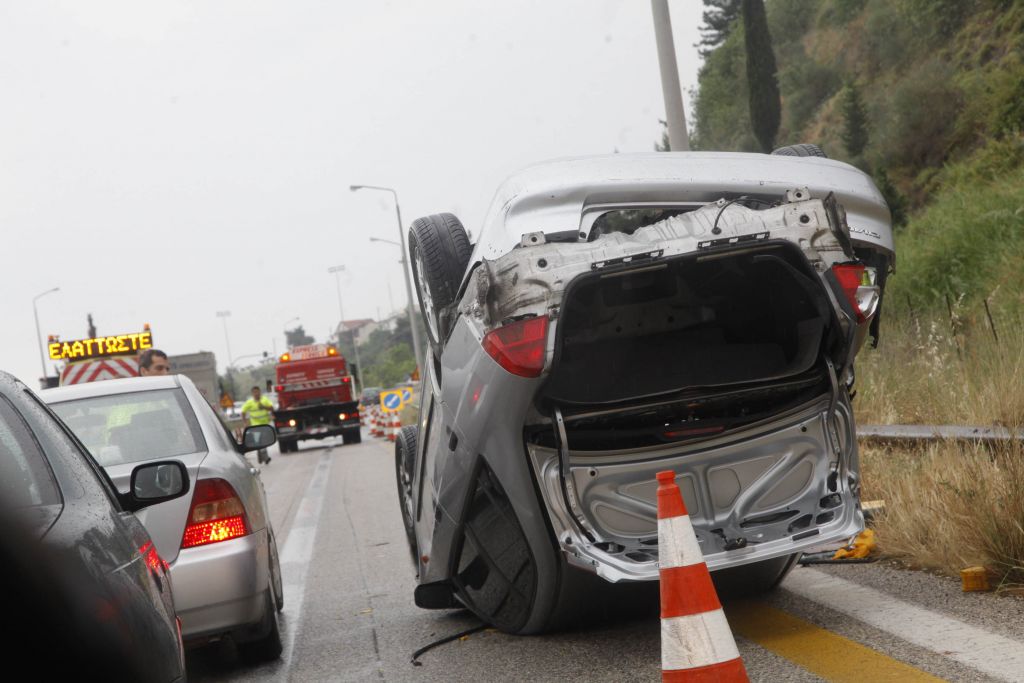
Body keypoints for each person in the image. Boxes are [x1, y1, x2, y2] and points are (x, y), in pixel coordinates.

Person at [241, 386, 275, 465]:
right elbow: (243, 412)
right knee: (259, 442)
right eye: (254, 392)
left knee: (263, 441)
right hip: (255, 426)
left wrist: (264, 407)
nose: (256, 394)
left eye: (257, 392)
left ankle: (261, 456)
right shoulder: (249, 402)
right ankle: (266, 458)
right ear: (252, 393)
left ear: (260, 392)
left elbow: (271, 408)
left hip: (265, 425)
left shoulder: (264, 400)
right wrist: (245, 422)